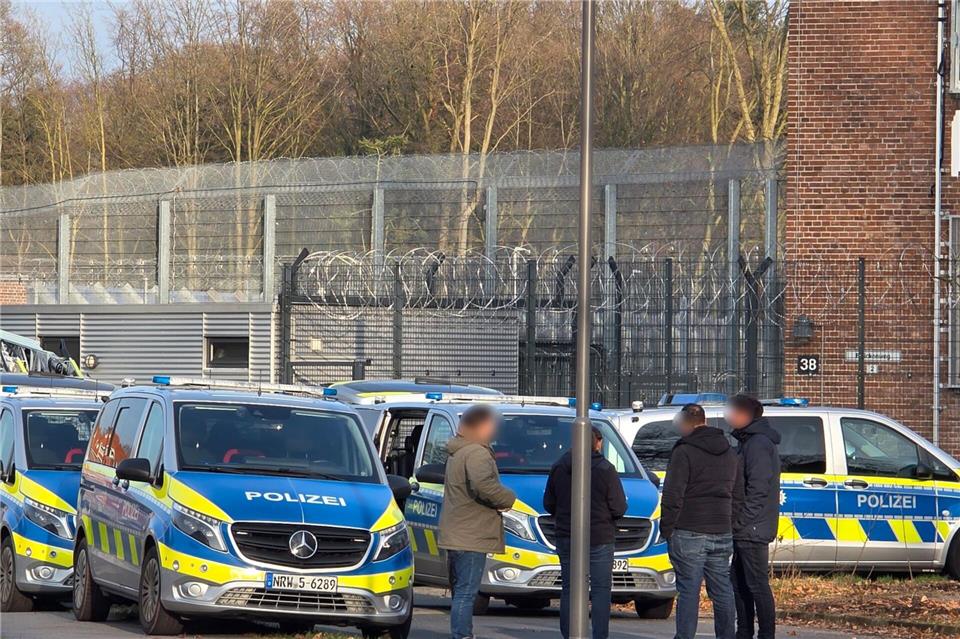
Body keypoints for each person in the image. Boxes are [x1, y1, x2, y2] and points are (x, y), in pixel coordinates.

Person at [660, 404, 740, 639]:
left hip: (689, 528)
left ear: (685, 422)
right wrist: (729, 521)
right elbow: (737, 492)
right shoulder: (729, 451)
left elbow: (673, 494)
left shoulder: (683, 451)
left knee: (688, 590)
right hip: (721, 528)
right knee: (722, 589)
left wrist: (667, 528)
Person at [438, 404, 517, 639]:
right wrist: (509, 498)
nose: (494, 430)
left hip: (457, 532)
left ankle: (460, 633)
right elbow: (484, 486)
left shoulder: (459, 452)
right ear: (481, 426)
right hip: (471, 534)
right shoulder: (477, 453)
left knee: (460, 591)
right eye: (491, 425)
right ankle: (462, 635)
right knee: (466, 593)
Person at [543, 427, 626, 639]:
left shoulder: (559, 466)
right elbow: (618, 507)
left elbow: (548, 504)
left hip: (567, 535)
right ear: (596, 442)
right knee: (600, 590)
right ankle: (599, 635)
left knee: (570, 589)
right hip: (599, 536)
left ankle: (570, 634)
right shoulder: (606, 469)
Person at [726, 394, 781, 639]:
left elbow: (758, 488)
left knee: (756, 584)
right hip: (747, 527)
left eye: (733, 411)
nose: (729, 416)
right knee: (739, 583)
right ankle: (744, 632)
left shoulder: (758, 443)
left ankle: (765, 634)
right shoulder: (747, 441)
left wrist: (741, 521)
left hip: (752, 528)